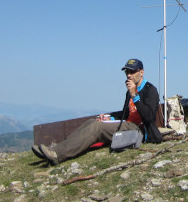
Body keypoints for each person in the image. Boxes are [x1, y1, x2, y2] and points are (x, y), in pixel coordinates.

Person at [31, 58, 162, 165]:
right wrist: (109, 117)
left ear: (141, 72)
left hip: (139, 131)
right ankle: (56, 149)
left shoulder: (150, 90)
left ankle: (57, 155)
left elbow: (149, 117)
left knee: (96, 128)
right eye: (127, 71)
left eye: (132, 71)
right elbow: (127, 113)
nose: (129, 75)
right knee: (91, 122)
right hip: (128, 125)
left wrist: (135, 95)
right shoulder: (131, 90)